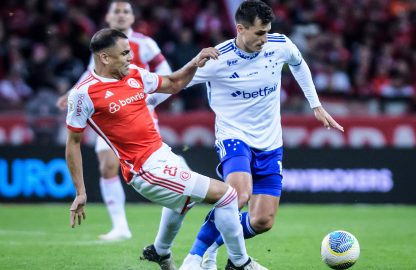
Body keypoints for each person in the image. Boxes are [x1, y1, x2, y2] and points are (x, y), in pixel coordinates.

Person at [66, 28, 268, 270]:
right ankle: (240, 263)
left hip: (162, 154)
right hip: (144, 169)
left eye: (130, 52)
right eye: (124, 53)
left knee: (184, 202)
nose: (130, 58)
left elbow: (173, 84)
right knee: (227, 195)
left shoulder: (134, 75)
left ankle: (160, 251)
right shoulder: (83, 94)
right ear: (105, 58)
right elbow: (73, 142)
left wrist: (195, 61)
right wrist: (80, 191)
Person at [173, 1, 344, 269]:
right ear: (240, 29)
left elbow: (299, 64)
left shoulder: (280, 45)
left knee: (262, 221)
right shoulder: (217, 58)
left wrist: (315, 104)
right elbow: (175, 83)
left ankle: (218, 251)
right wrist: (140, 103)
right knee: (238, 195)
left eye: (267, 31)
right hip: (233, 135)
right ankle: (194, 256)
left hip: (270, 141)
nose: (265, 39)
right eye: (259, 33)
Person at [57, 0, 173, 241]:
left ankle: (178, 191)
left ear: (133, 18)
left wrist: (149, 100)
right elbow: (91, 75)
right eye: (116, 11)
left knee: (152, 168)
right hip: (108, 114)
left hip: (137, 112)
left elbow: (167, 72)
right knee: (107, 166)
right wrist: (71, 93)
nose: (121, 15)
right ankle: (120, 226)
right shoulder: (104, 48)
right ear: (109, 18)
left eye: (126, 11)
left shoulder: (145, 43)